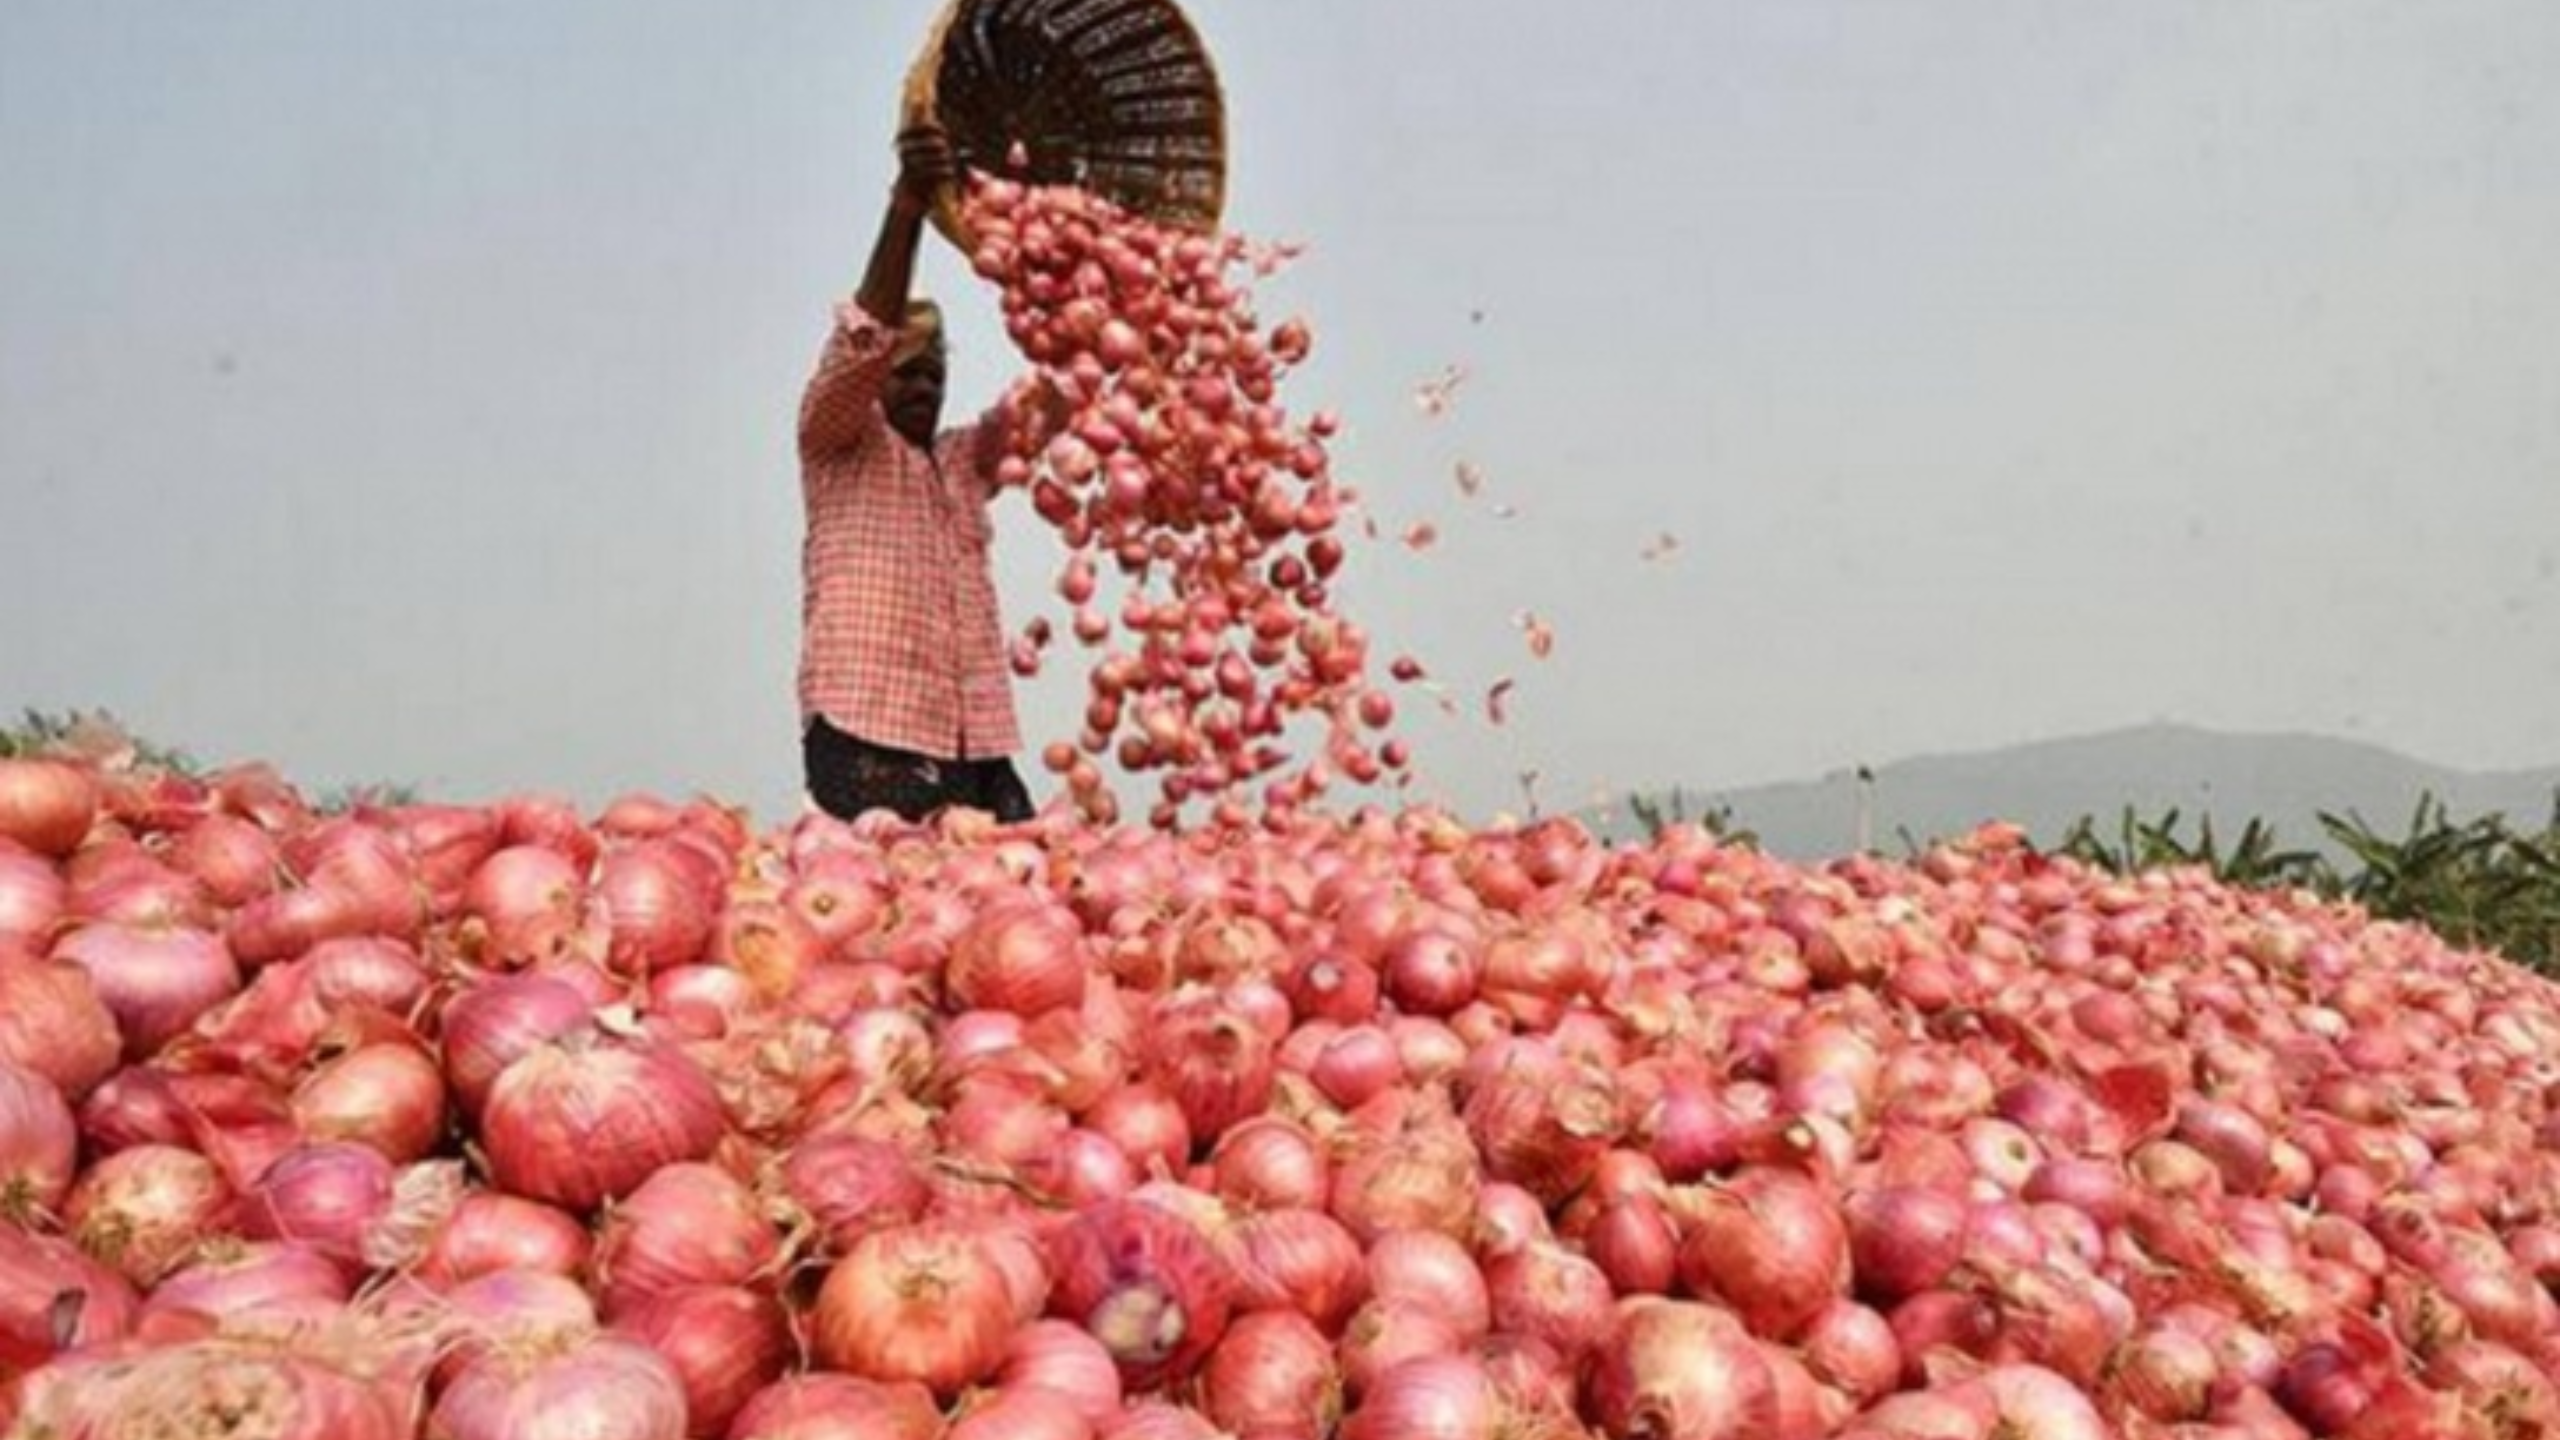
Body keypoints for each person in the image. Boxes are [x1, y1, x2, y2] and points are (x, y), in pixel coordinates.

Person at [795, 122, 1047, 824]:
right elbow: (861, 338)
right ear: (876, 379)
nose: (922, 387)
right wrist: (907, 208)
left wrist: (1091, 298)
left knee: (1011, 906)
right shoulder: (837, 442)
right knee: (893, 907)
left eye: (935, 372)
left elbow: (1050, 404)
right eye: (905, 372)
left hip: (977, 743)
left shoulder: (964, 461)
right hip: (869, 729)